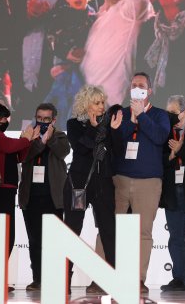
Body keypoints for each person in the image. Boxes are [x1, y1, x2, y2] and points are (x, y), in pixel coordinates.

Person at [112, 72, 170, 293]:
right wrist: (132, 119)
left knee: (143, 231)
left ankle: (138, 278)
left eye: (142, 86)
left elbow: (159, 137)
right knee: (111, 228)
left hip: (149, 182)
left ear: (149, 91)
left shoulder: (160, 115)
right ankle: (102, 274)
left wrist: (142, 116)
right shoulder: (121, 113)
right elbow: (117, 141)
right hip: (120, 179)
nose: (137, 88)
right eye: (134, 85)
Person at [64, 86, 122, 292]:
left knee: (109, 230)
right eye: (96, 103)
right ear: (86, 104)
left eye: (102, 103)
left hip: (103, 183)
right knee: (72, 229)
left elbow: (117, 151)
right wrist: (93, 126)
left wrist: (112, 131)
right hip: (79, 184)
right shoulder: (74, 124)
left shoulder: (109, 124)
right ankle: (63, 278)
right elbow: (82, 147)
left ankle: (112, 278)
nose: (101, 107)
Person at [0, 101, 33, 292]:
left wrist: (25, 141)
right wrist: (26, 139)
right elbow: (9, 147)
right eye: (1, 118)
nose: (5, 121)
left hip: (7, 189)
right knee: (0, 236)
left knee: (6, 236)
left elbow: (18, 155)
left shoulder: (0, 134)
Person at [19, 103, 70, 292]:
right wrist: (36, 140)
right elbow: (24, 156)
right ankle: (38, 279)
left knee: (53, 241)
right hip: (31, 197)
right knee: (35, 241)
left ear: (54, 120)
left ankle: (54, 278)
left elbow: (64, 152)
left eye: (46, 119)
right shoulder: (28, 134)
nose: (41, 122)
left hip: (53, 197)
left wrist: (49, 140)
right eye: (39, 118)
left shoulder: (60, 136)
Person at [159, 95, 185, 292]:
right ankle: (179, 279)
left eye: (173, 113)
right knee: (175, 237)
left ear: (184, 113)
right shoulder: (164, 132)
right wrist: (172, 155)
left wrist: (180, 150)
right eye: (167, 112)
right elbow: (160, 161)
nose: (169, 116)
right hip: (172, 191)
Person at [43, 0, 96, 126]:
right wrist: (68, 53)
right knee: (61, 93)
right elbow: (52, 39)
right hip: (63, 60)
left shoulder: (93, 16)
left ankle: (73, 124)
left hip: (84, 64)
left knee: (79, 96)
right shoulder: (61, 15)